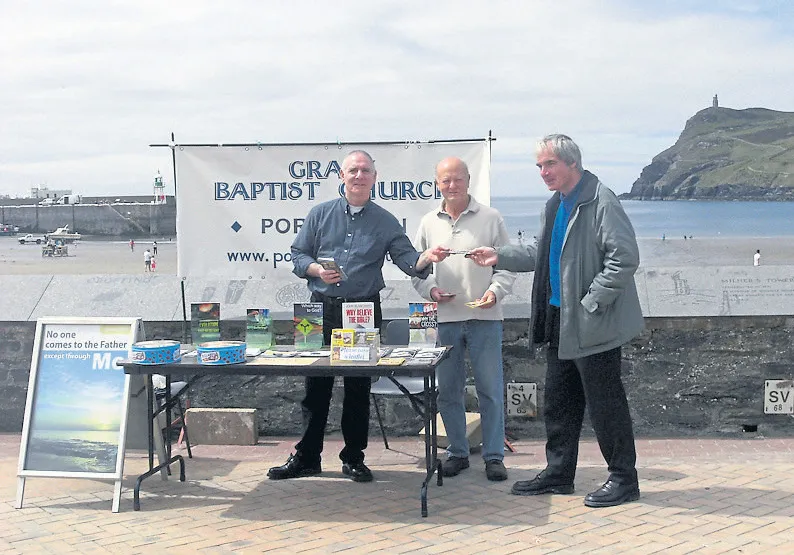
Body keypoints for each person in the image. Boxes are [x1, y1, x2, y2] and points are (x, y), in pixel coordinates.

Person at [468, 134, 644, 507]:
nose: (543, 172)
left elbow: (624, 258)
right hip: (559, 321)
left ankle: (624, 479)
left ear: (572, 163)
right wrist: (497, 256)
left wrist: (591, 302)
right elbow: (542, 251)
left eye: (549, 164)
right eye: (539, 166)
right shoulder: (556, 203)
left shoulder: (601, 201)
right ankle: (560, 474)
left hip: (592, 322)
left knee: (605, 404)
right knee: (560, 403)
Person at [268, 150, 449, 484]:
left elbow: (408, 260)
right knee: (314, 387)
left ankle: (354, 458)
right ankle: (307, 457)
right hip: (319, 308)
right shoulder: (319, 214)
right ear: (341, 175)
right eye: (353, 170)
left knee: (357, 387)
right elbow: (297, 255)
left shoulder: (385, 220)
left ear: (375, 177)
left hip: (362, 311)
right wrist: (316, 271)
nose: (359, 176)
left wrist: (427, 256)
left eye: (365, 170)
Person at [411, 157, 517, 482]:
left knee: (490, 389)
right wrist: (431, 291)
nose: (452, 185)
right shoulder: (429, 222)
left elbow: (509, 264)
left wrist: (495, 293)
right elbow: (416, 270)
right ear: (437, 184)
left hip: (486, 318)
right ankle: (457, 452)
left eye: (458, 179)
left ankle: (494, 456)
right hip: (445, 321)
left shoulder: (491, 217)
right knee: (448, 392)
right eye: (446, 180)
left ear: (468, 181)